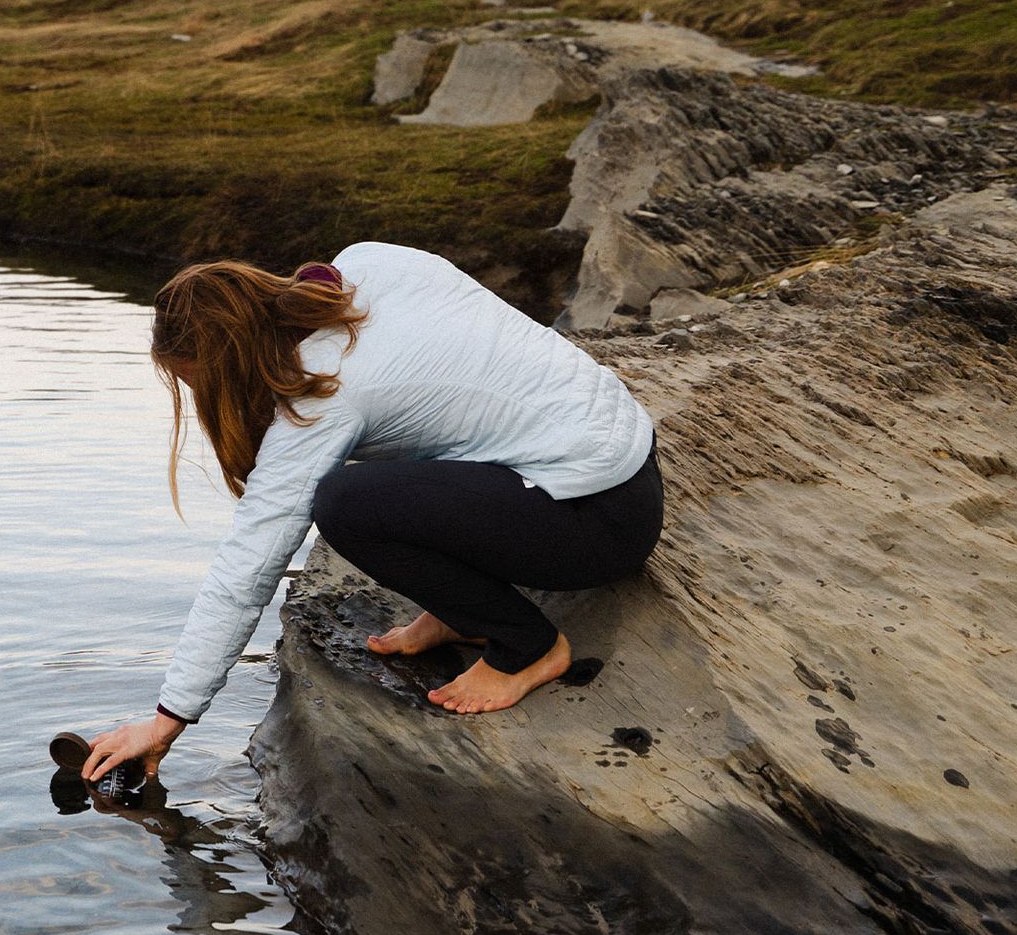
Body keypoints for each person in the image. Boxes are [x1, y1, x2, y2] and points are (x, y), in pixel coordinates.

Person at [79, 240, 664, 785]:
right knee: (383, 487)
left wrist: (167, 719)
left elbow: (248, 566)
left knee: (347, 504)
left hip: (599, 520)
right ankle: (464, 609)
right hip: (622, 461)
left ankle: (527, 647)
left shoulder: (323, 396)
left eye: (201, 384)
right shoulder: (367, 264)